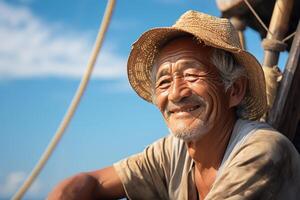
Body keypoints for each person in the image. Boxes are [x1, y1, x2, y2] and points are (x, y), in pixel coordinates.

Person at [48, 10, 300, 200]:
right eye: (164, 81)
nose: (176, 94)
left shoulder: (263, 151)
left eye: (192, 75)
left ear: (233, 90)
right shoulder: (173, 152)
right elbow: (91, 181)